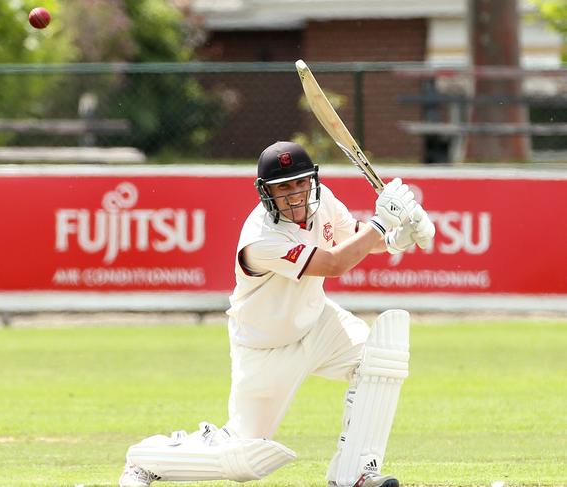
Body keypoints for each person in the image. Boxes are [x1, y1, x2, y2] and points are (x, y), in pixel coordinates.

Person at [119, 141, 435, 487]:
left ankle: (355, 473)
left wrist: (394, 239)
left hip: (319, 323)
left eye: (301, 182)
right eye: (284, 187)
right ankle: (146, 459)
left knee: (380, 360)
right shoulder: (259, 240)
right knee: (244, 460)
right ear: (265, 192)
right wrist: (380, 221)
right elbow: (333, 264)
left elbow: (353, 240)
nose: (296, 194)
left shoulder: (323, 198)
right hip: (266, 346)